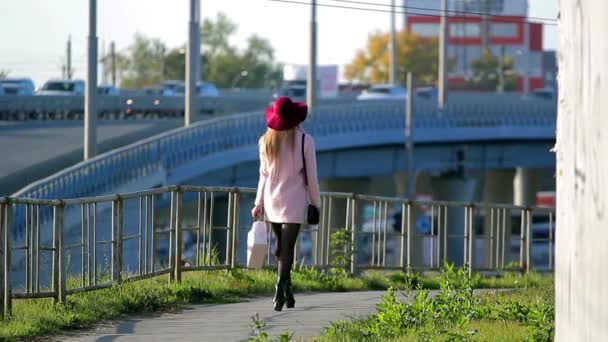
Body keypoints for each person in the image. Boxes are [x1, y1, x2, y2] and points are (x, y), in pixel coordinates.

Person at [251, 96, 321, 311]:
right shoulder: (305, 140)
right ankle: (280, 287)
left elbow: (263, 176)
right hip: (295, 200)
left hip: (272, 200)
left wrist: (258, 203)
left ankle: (287, 293)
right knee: (288, 248)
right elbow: (312, 178)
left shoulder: (265, 141)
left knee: (280, 247)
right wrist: (315, 204)